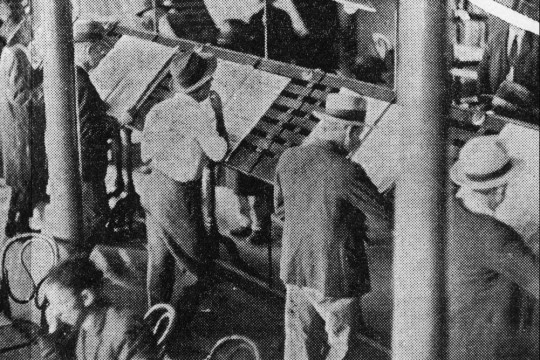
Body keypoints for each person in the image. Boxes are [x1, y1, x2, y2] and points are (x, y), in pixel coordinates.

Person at [274, 93, 390, 360]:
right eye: (358, 134)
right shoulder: (348, 171)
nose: (358, 141)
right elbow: (386, 218)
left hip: (295, 266)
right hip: (335, 275)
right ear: (349, 131)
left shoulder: (289, 157)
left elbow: (281, 210)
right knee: (343, 345)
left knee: (298, 341)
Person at [140, 50, 227, 325]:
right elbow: (218, 152)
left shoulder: (158, 110)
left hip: (153, 188)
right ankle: (178, 323)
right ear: (200, 87)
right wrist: (217, 114)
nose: (211, 87)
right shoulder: (197, 114)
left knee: (160, 259)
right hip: (178, 194)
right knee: (199, 264)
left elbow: (145, 155)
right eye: (209, 83)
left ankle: (157, 319)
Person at [447, 135, 539, 359]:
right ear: (499, 191)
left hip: (454, 329)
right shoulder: (493, 235)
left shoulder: (450, 209)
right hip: (487, 342)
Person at [38, 257, 160, 360]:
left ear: (86, 298)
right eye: (52, 305)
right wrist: (53, 331)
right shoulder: (85, 327)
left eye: (61, 303)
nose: (55, 313)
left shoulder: (124, 327)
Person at [0, 0, 47, 237]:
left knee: (20, 181)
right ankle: (19, 224)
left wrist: (39, 73)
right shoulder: (17, 54)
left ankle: (14, 220)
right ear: (21, 29)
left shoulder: (11, 53)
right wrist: (46, 90)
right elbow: (20, 96)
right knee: (25, 178)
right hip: (21, 129)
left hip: (14, 127)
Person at [72, 20, 120, 246]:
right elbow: (87, 129)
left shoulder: (75, 75)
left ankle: (96, 243)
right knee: (95, 213)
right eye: (101, 50)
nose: (103, 56)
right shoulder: (81, 82)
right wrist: (115, 122)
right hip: (88, 159)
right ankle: (81, 264)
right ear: (90, 50)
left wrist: (101, 109)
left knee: (96, 208)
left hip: (85, 159)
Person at [477, 0, 539, 104]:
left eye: (525, 14)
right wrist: (485, 104)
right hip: (494, 110)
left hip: (524, 114)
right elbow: (483, 73)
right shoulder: (495, 39)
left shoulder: (536, 44)